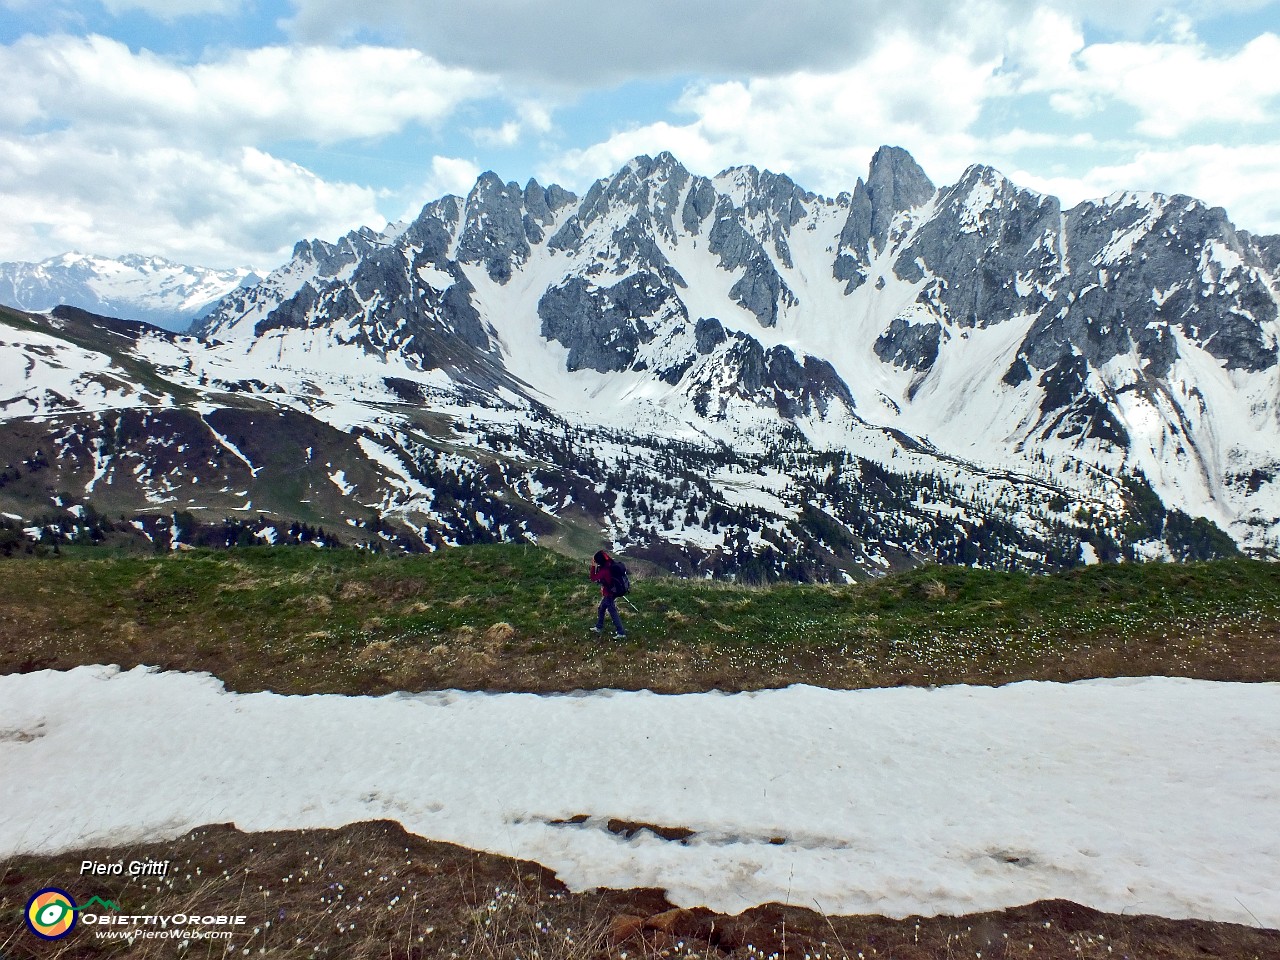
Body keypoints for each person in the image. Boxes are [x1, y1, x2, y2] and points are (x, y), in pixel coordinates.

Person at [589, 549, 626, 637]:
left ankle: (621, 632)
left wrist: (593, 566)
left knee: (612, 611)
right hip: (613, 591)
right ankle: (599, 626)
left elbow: (593, 578)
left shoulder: (604, 570)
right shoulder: (610, 563)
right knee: (601, 608)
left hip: (610, 593)